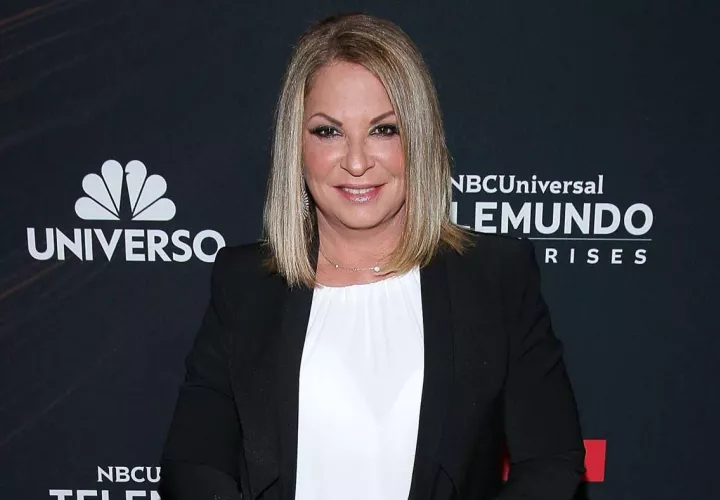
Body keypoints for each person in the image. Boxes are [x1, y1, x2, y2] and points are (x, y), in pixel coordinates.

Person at [158, 12, 585, 500]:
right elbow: (193, 459)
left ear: (419, 139)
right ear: (296, 145)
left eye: (384, 130)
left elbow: (551, 459)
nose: (357, 161)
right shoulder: (245, 284)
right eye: (328, 132)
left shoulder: (495, 276)